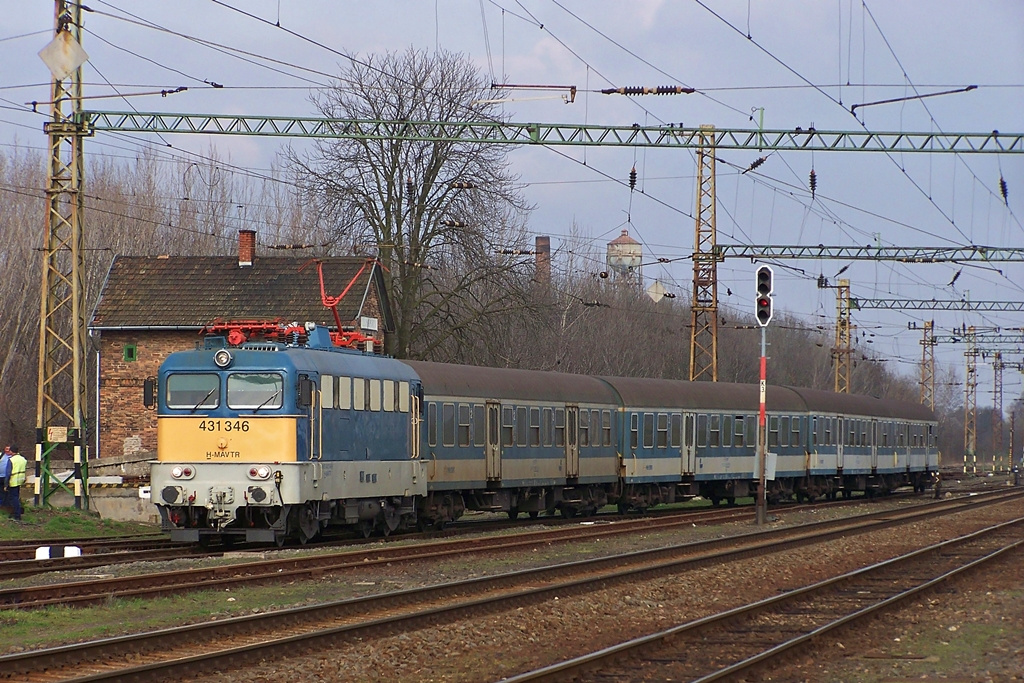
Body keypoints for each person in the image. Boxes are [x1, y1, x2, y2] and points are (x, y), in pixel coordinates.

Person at [7, 445, 26, 521]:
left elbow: (8, 473)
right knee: (16, 497)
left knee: (13, 498)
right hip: (20, 480)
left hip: (13, 481)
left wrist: (6, 484)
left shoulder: (11, 460)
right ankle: (16, 512)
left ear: (11, 451)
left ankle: (17, 515)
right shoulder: (23, 459)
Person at [0, 446, 11, 513]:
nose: (7, 451)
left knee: (6, 492)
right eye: (6, 449)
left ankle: (5, 506)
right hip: (0, 477)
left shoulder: (13, 457)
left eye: (8, 449)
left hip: (7, 477)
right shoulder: (1, 455)